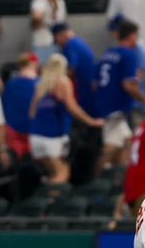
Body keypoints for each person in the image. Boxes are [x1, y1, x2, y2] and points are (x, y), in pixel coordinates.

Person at [29, 53, 101, 186]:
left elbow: (32, 113)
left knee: (52, 174)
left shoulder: (40, 83)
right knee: (63, 174)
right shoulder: (63, 82)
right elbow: (72, 107)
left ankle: (44, 198)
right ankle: (50, 202)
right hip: (52, 136)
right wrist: (91, 121)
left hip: (36, 137)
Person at [94, 20, 145, 168]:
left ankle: (117, 180)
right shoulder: (129, 55)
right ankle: (96, 180)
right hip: (118, 108)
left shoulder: (108, 53)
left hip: (104, 104)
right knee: (110, 148)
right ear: (132, 36)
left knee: (126, 142)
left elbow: (94, 83)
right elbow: (129, 86)